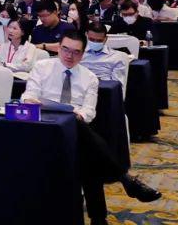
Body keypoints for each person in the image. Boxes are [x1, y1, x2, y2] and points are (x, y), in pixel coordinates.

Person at [22, 31, 160, 224]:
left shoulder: (90, 78)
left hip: (72, 131)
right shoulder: (42, 67)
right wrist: (32, 101)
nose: (69, 56)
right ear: (58, 48)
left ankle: (102, 212)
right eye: (65, 50)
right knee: (90, 152)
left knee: (85, 148)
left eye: (76, 52)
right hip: (43, 127)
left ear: (83, 53)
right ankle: (120, 186)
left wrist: (78, 116)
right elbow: (29, 94)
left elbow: (89, 112)